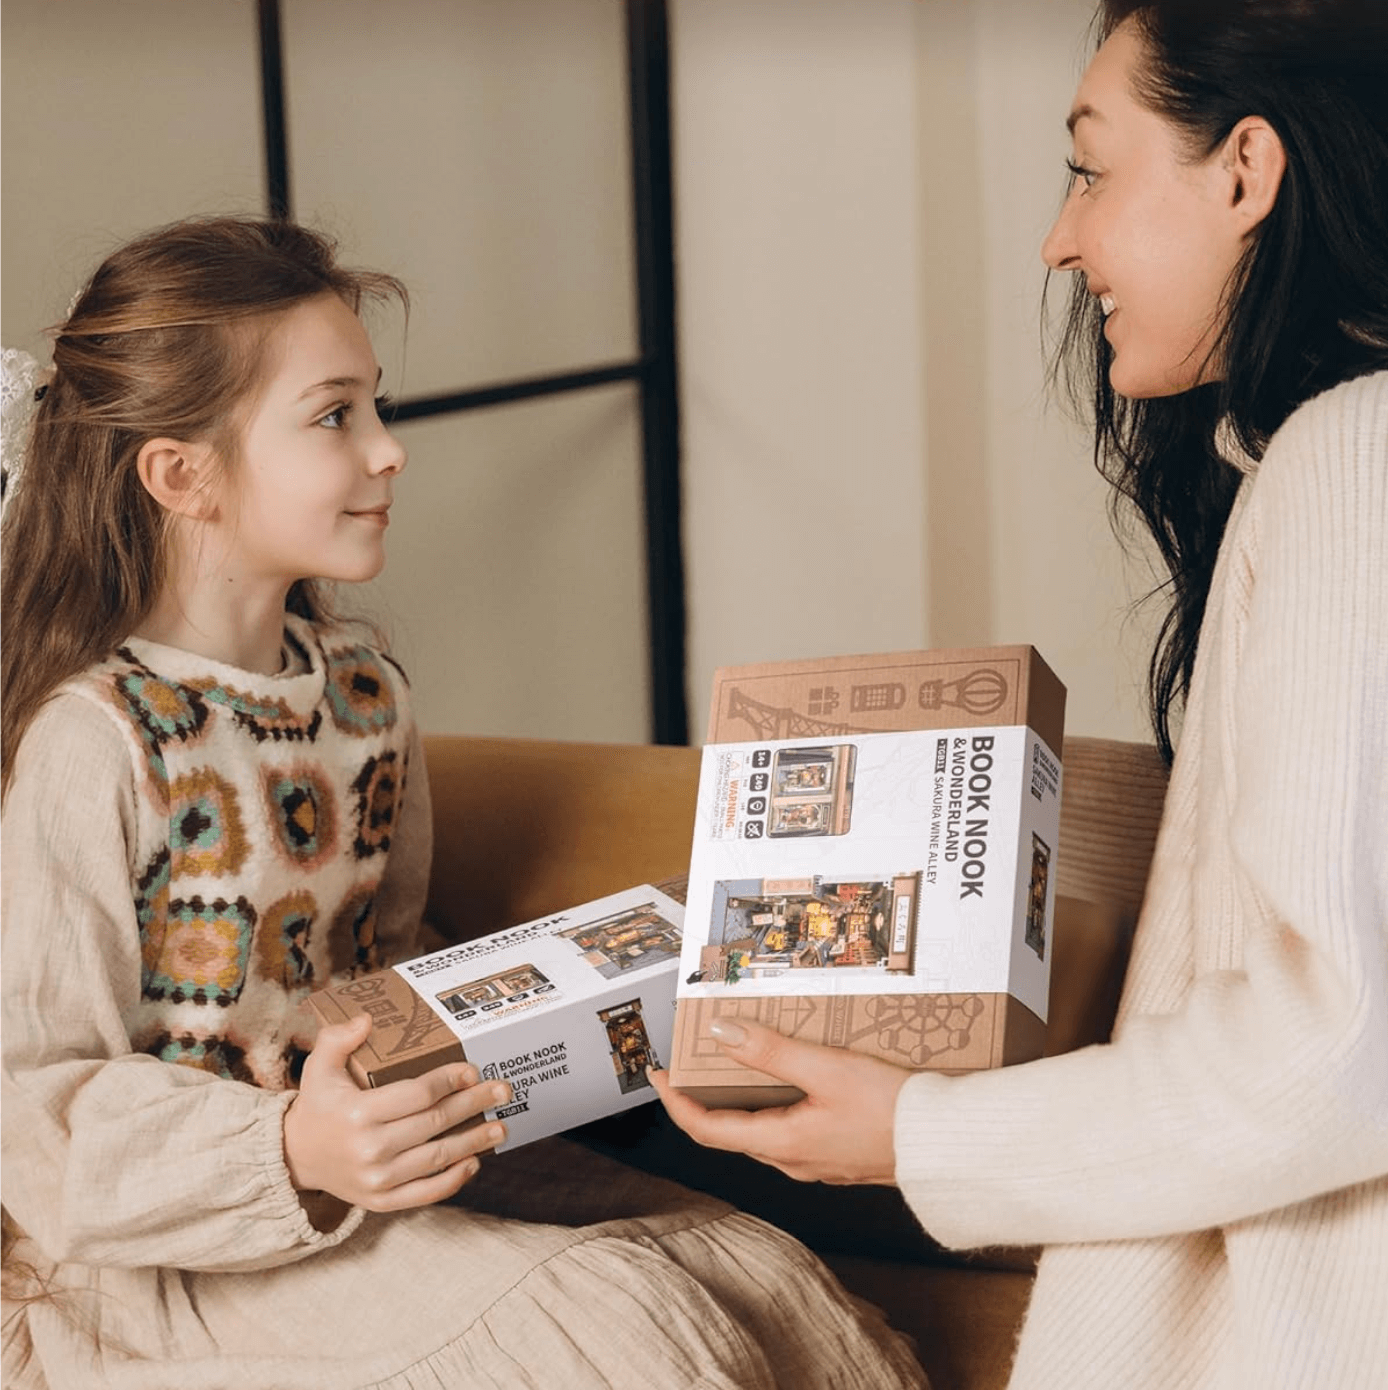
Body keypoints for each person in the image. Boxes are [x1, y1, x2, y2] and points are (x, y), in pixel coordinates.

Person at [0, 216, 927, 1389]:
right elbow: (35, 1106)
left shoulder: (365, 697)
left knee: (755, 1270)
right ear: (182, 473)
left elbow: (389, 969)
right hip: (171, 1252)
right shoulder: (97, 739)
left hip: (394, 1166)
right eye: (335, 415)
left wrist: (608, 1004)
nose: (388, 451)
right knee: (609, 1322)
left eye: (374, 406)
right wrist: (292, 1143)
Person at [652, 2, 1388, 1387]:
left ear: (1246, 169)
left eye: (1093, 169)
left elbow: (1343, 1035)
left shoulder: (1354, 455)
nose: (1061, 238)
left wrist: (920, 1136)